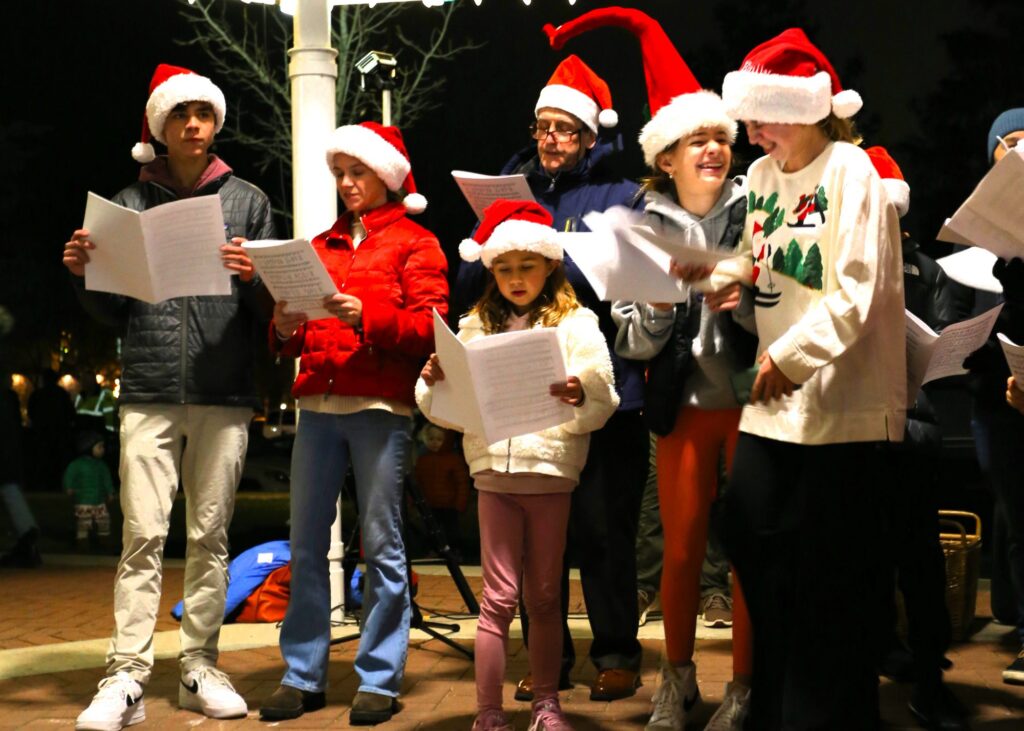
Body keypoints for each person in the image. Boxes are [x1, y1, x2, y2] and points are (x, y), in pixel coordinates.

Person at [63, 63, 276, 731]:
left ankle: (199, 666)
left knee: (210, 534)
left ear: (215, 124)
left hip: (224, 386)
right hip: (149, 388)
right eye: (180, 115)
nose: (192, 125)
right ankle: (125, 673)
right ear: (159, 125)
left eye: (203, 115)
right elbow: (110, 311)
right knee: (143, 534)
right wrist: (84, 275)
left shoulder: (247, 201)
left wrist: (256, 279)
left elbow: (269, 310)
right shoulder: (129, 202)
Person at [717, 29, 906, 729]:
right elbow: (760, 266)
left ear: (804, 109)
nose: (753, 133)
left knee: (831, 574)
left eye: (763, 117)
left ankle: (826, 710)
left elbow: (855, 291)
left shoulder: (851, 171)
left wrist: (786, 357)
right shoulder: (762, 179)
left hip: (839, 404)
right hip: (773, 402)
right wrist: (726, 282)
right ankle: (779, 697)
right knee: (746, 529)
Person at [453, 27, 648, 703]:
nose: (551, 139)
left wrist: (568, 261)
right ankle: (552, 657)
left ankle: (616, 649)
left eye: (565, 128)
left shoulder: (623, 195)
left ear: (591, 135)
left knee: (602, 530)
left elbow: (638, 283)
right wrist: (487, 242)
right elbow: (471, 281)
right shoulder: (515, 189)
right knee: (543, 547)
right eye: (543, 127)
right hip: (523, 395)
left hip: (604, 386)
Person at [258, 121, 447, 725]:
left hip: (379, 406)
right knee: (307, 542)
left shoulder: (417, 243)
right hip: (316, 405)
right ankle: (303, 673)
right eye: (340, 173)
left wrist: (371, 315)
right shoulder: (318, 246)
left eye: (357, 172)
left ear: (385, 176)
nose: (346, 183)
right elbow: (292, 337)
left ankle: (380, 677)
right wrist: (283, 328)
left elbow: (432, 329)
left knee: (382, 541)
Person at [600, 10, 755, 728]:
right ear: (666, 157)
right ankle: (679, 678)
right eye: (698, 140)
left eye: (721, 137)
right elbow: (631, 342)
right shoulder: (640, 224)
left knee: (748, 552)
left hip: (757, 403)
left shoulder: (761, 212)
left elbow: (789, 304)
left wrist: (746, 294)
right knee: (682, 549)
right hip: (684, 407)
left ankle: (746, 686)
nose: (714, 150)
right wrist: (668, 294)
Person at [417, 199, 619, 731]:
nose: (515, 278)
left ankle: (546, 704)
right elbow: (443, 406)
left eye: (526, 266)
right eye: (503, 269)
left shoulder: (577, 323)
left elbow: (604, 395)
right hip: (494, 476)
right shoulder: (475, 325)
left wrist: (581, 394)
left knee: (546, 595)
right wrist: (436, 379)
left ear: (550, 265)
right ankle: (488, 712)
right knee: (497, 599)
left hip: (549, 472)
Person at [865, 146, 968, 729]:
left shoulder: (927, 270)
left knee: (920, 561)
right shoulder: (837, 261)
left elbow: (945, 339)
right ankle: (873, 659)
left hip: (913, 429)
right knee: (861, 558)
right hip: (854, 433)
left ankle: (930, 677)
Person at [960, 108, 1024, 686]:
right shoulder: (977, 240)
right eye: (1010, 141)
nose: (1020, 150)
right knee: (1015, 509)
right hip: (995, 401)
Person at [413, 423, 470, 560]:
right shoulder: (423, 460)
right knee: (431, 529)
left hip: (449, 504)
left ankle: (455, 551)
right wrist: (415, 501)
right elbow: (417, 482)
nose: (435, 443)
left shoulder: (453, 460)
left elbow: (462, 482)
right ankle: (434, 550)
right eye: (431, 439)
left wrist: (460, 502)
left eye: (439, 439)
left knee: (451, 530)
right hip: (430, 503)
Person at [64, 431, 115, 551]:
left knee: (104, 521)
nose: (103, 449)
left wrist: (110, 491)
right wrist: (68, 487)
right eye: (99, 447)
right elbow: (69, 476)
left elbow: (107, 479)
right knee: (83, 522)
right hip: (83, 500)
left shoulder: (101, 465)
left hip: (99, 500)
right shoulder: (77, 464)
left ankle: (104, 540)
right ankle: (82, 542)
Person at [26, 368, 75, 491]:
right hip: (59, 435)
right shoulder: (62, 394)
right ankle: (57, 485)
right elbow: (70, 413)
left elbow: (31, 413)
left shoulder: (37, 395)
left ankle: (44, 485)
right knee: (57, 462)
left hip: (42, 435)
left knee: (44, 462)